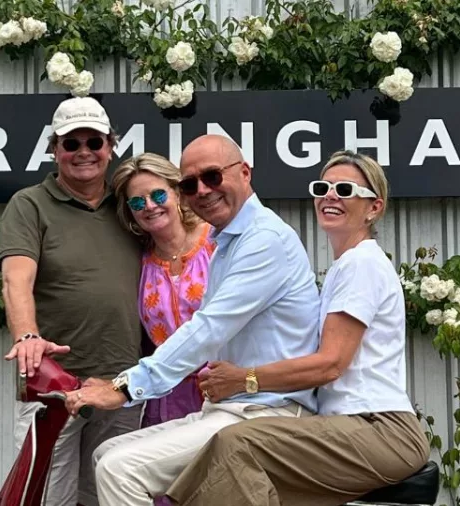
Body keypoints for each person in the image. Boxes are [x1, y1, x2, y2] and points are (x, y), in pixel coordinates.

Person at [57, 134, 322, 506]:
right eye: (190, 183)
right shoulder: (229, 240)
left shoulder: (264, 240)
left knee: (119, 468)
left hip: (267, 411)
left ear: (245, 173)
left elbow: (208, 327)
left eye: (212, 177)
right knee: (106, 455)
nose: (202, 190)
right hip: (227, 405)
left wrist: (123, 388)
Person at [164, 150, 431, 506]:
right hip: (348, 426)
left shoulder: (361, 264)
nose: (331, 196)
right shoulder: (342, 268)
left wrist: (244, 379)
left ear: (374, 208)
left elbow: (330, 364)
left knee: (237, 443)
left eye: (347, 190)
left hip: (378, 429)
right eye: (324, 187)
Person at [0, 96, 145, 506]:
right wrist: (28, 336)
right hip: (55, 387)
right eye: (71, 143)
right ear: (54, 149)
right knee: (48, 497)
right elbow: (16, 280)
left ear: (110, 146)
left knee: (110, 496)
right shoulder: (29, 205)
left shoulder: (131, 206)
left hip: (122, 385)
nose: (84, 153)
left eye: (93, 142)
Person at [110, 152, 216, 505]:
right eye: (138, 201)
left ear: (177, 192)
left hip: (219, 390)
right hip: (166, 399)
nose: (150, 207)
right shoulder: (140, 260)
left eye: (158, 195)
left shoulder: (216, 243)